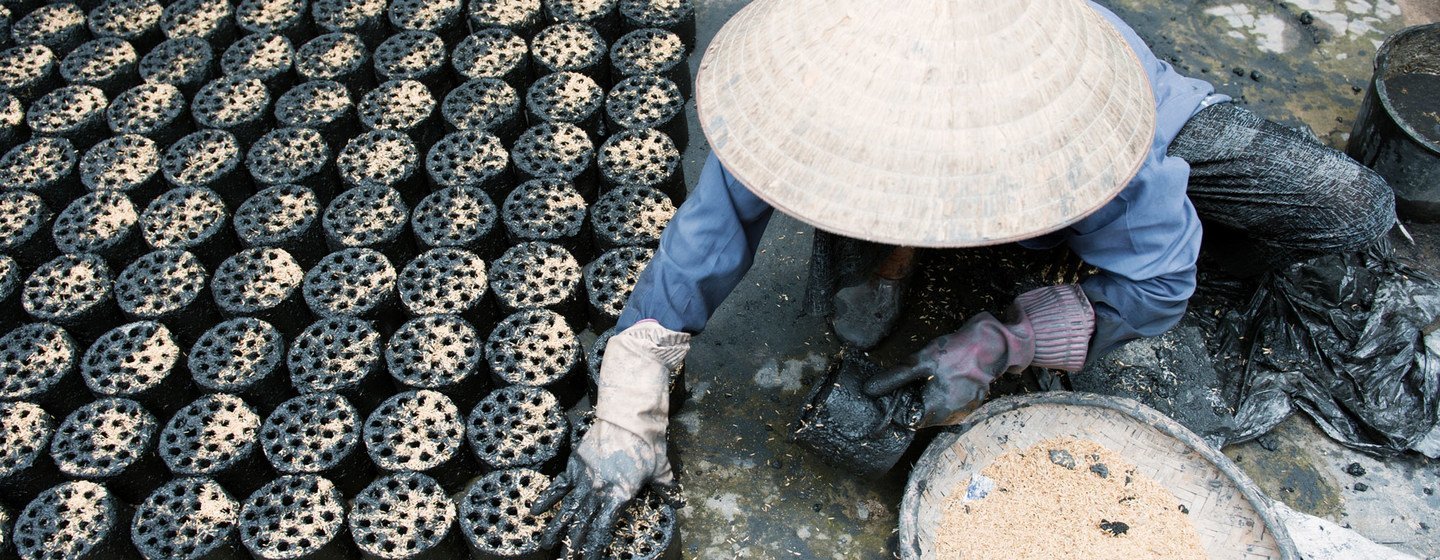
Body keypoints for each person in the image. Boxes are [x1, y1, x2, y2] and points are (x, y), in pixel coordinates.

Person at [531, 0, 1397, 556]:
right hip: (917, 113)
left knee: (1347, 207)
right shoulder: (819, 76)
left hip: (1094, 134)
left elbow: (1161, 284)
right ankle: (896, 252)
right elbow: (708, 233)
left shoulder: (1088, 116)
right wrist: (630, 398)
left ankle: (1029, 250)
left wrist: (1009, 338)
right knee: (860, 314)